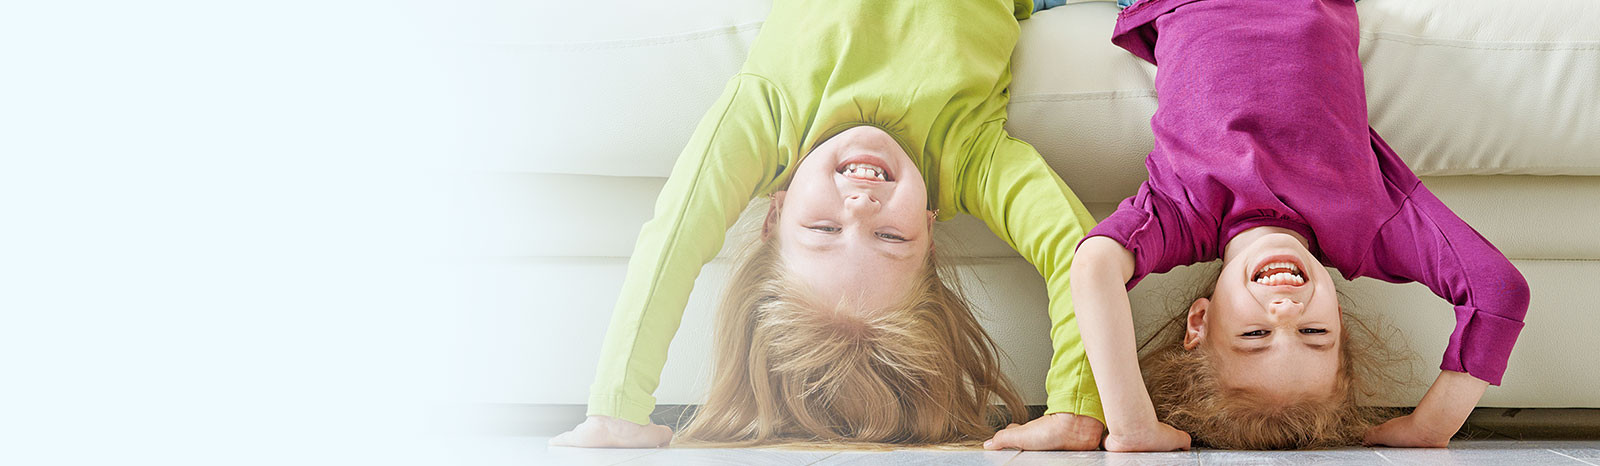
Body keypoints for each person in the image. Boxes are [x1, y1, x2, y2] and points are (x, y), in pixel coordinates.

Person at [551, 0, 1107, 448]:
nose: (861, 207)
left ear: (776, 212)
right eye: (891, 237)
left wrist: (617, 405)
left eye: (822, 230)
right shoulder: (966, 154)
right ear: (930, 235)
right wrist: (1078, 406)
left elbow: (675, 238)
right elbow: (1080, 252)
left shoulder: (770, 119)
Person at [1013, 0, 1530, 450]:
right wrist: (1430, 425)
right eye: (1315, 332)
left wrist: (1132, 425)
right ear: (1340, 321)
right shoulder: (1368, 224)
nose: (1286, 311)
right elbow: (1499, 292)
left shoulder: (1183, 214)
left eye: (1256, 334)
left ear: (1200, 321)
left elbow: (1094, 263)